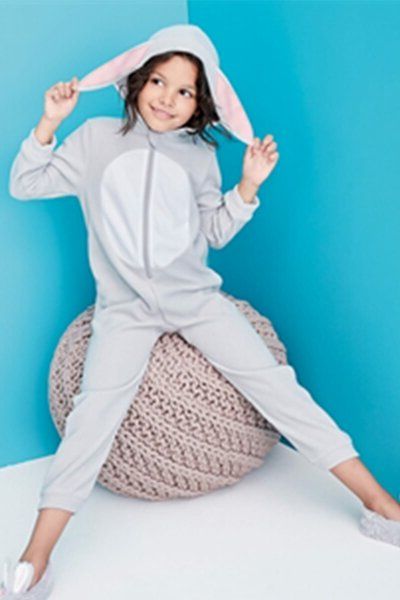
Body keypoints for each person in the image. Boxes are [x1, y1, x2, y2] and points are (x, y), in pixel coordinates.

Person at [3, 23, 399, 598]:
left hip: (196, 301)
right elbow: (24, 182)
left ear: (201, 103)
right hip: (125, 310)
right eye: (158, 81)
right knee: (93, 416)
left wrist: (247, 188)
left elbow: (212, 232)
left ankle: (380, 503)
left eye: (185, 90)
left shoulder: (200, 157)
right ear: (136, 80)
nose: (167, 98)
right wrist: (49, 123)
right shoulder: (94, 139)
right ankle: (36, 557)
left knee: (278, 387)